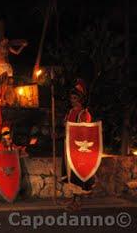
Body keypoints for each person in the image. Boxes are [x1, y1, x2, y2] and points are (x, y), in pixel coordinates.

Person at [62, 79, 94, 211]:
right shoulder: (70, 112)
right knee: (70, 173)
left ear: (80, 99)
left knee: (77, 174)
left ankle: (78, 201)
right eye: (71, 98)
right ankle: (74, 199)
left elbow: (84, 131)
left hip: (78, 149)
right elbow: (67, 127)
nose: (72, 100)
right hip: (68, 146)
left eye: (75, 98)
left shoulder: (84, 114)